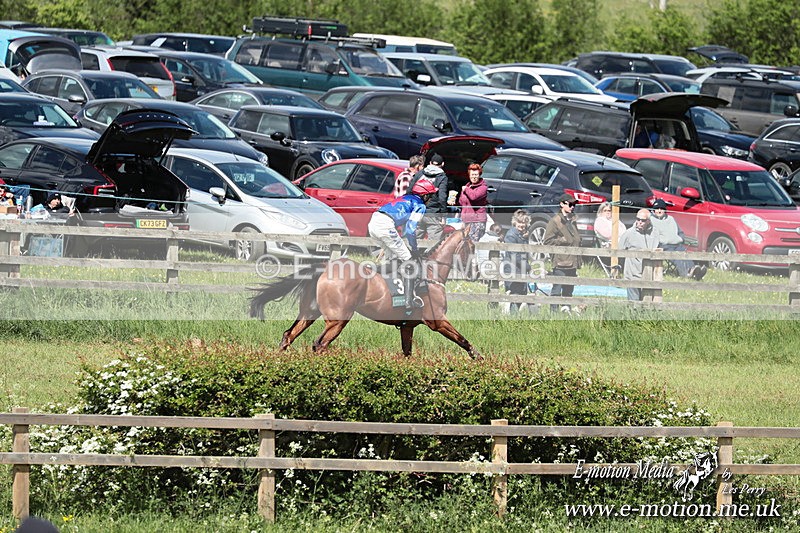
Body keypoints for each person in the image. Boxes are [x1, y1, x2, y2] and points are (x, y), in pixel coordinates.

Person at [368, 179, 437, 309]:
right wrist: (414, 249)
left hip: (374, 221)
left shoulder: (406, 198)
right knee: (409, 261)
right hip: (385, 226)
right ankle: (408, 301)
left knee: (392, 261)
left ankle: (371, 274)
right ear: (425, 195)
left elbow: (405, 229)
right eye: (431, 196)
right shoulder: (420, 205)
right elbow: (411, 229)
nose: (431, 199)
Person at [649, 199, 706, 280]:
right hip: (664, 246)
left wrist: (680, 239)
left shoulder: (671, 219)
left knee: (685, 254)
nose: (659, 211)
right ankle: (686, 273)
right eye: (657, 209)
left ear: (665, 210)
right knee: (676, 257)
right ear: (653, 210)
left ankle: (695, 271)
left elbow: (680, 231)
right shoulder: (651, 220)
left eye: (661, 209)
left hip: (677, 243)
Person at [544, 193, 582, 313]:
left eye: (574, 204)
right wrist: (562, 241)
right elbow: (547, 241)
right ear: (562, 204)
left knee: (569, 290)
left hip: (572, 261)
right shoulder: (555, 221)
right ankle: (553, 315)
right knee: (557, 289)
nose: (572, 207)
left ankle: (566, 312)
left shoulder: (572, 220)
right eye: (570, 204)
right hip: (561, 262)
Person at [618, 208, 661, 301]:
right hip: (632, 274)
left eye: (643, 220)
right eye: (638, 219)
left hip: (649, 274)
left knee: (647, 303)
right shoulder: (628, 234)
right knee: (634, 304)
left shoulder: (655, 233)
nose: (639, 222)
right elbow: (619, 251)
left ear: (648, 221)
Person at [410, 154, 449, 242]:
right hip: (433, 214)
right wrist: (443, 215)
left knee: (414, 241)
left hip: (417, 212)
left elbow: (409, 191)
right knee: (433, 245)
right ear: (442, 164)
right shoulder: (442, 178)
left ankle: (414, 256)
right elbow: (442, 198)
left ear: (430, 163)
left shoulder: (419, 174)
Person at [502, 210, 531, 315]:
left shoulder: (523, 234)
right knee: (515, 294)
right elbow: (515, 255)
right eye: (520, 222)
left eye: (524, 223)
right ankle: (512, 316)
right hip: (512, 268)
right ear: (515, 222)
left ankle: (515, 315)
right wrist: (527, 267)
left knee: (522, 293)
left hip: (520, 268)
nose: (522, 225)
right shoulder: (511, 235)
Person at [458, 162, 488, 242]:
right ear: (469, 175)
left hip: (477, 221)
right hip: (466, 220)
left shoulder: (483, 188)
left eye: (476, 175)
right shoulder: (467, 186)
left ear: (479, 175)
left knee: (472, 244)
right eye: (472, 175)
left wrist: (466, 190)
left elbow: (474, 197)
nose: (474, 177)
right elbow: (461, 202)